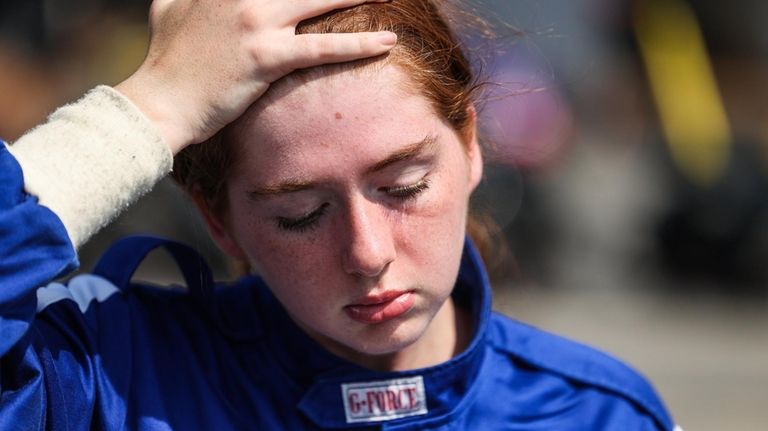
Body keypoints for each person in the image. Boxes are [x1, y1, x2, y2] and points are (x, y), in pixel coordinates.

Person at [0, 0, 682, 429]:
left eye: (405, 184)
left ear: (471, 146)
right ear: (218, 218)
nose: (368, 251)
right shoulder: (102, 377)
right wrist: (149, 110)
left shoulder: (601, 412)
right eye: (301, 213)